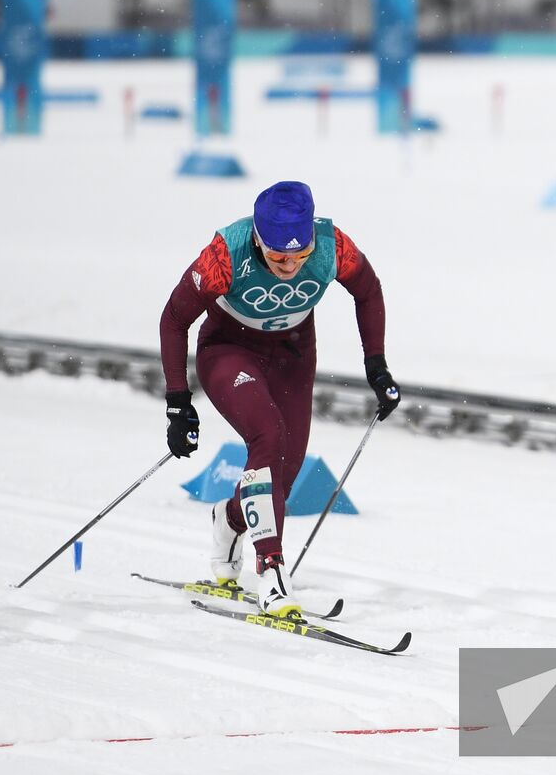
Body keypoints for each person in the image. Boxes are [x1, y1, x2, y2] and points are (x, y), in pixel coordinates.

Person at [159, 181, 399, 618]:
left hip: (292, 353)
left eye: (299, 255)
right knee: (267, 437)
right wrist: (178, 402)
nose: (289, 266)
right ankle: (270, 572)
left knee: (283, 474)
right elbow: (174, 320)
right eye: (276, 257)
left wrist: (376, 365)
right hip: (230, 350)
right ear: (257, 239)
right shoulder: (225, 254)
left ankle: (230, 519)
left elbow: (368, 291)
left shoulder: (331, 245)